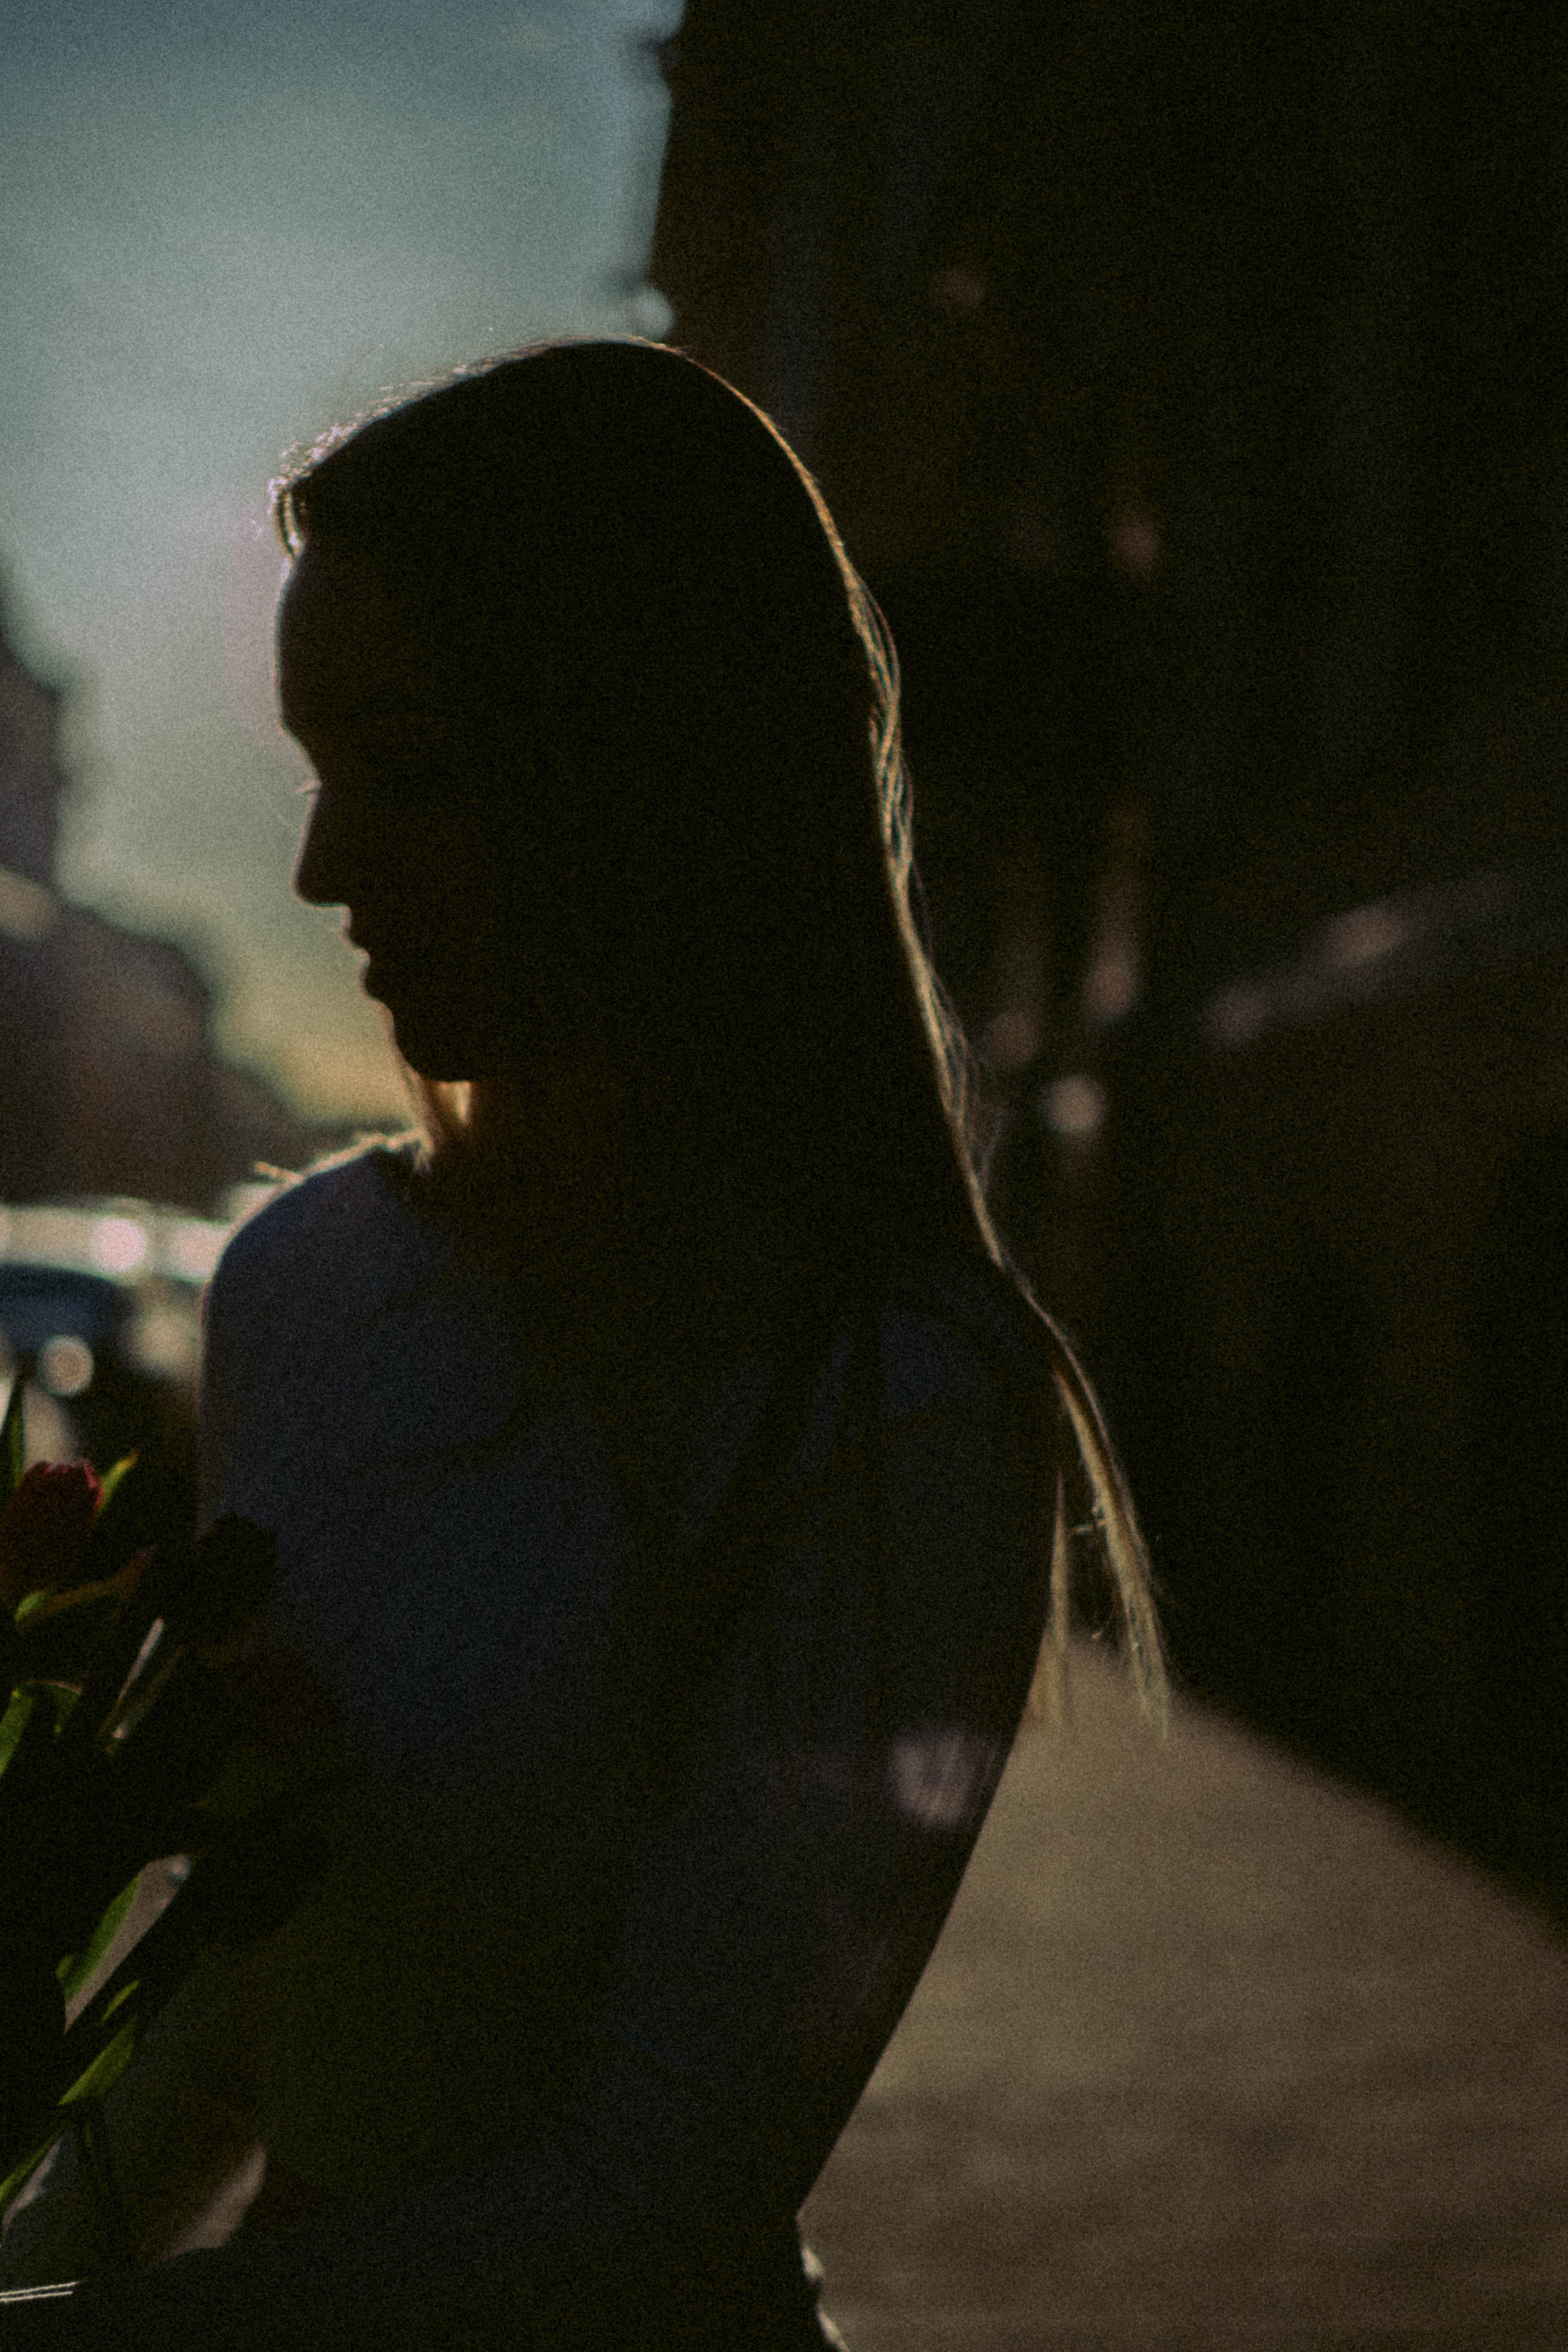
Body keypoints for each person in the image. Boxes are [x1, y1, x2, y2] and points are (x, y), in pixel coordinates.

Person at [0, 339, 1159, 2350]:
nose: (320, 866)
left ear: (654, 775)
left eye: (413, 768)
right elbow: (244, 2013)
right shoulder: (296, 1287)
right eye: (311, 769)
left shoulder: (896, 1400)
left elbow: (647, 2200)